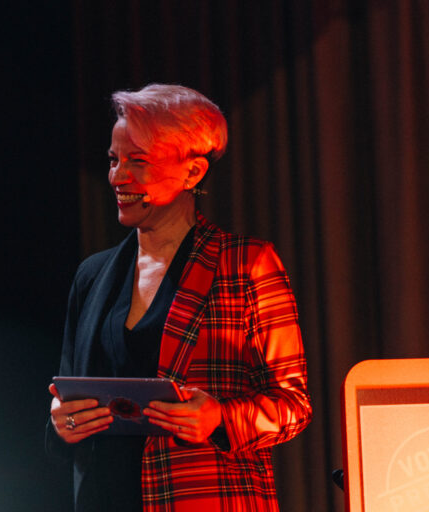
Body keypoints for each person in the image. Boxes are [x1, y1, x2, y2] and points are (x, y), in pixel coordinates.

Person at [46, 83, 312, 511]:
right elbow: (67, 397)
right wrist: (63, 422)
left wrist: (219, 417)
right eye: (114, 160)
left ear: (193, 172)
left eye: (138, 161)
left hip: (204, 498)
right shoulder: (92, 275)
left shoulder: (245, 264)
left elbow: (293, 405)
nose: (117, 176)